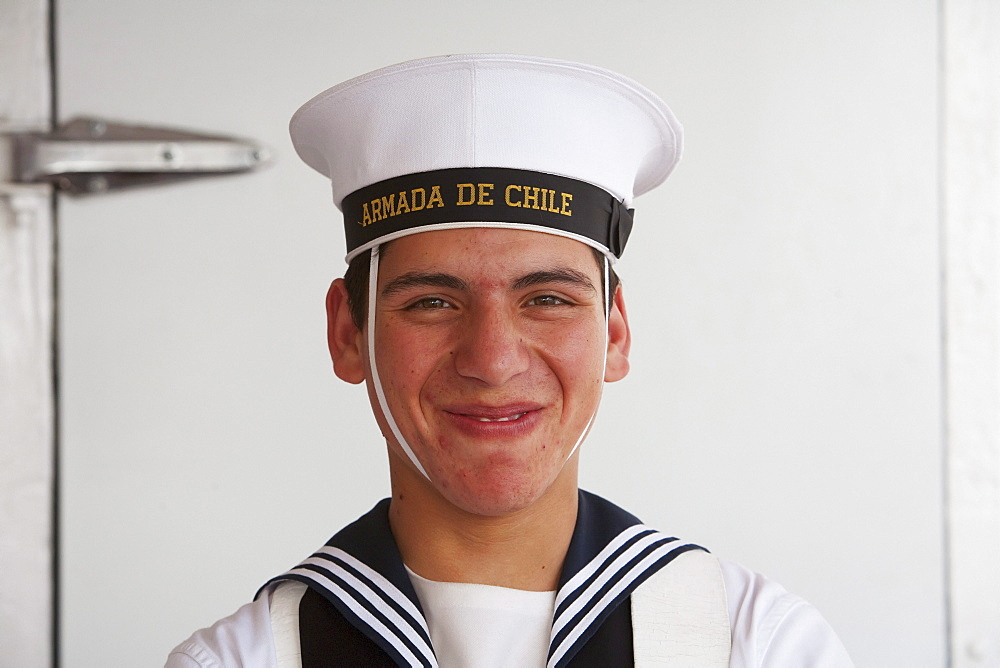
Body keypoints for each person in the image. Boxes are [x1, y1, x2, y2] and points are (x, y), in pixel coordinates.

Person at [166, 54, 853, 667]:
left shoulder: (757, 645)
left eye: (548, 299)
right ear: (349, 333)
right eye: (433, 303)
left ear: (614, 334)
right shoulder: (248, 658)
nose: (492, 362)